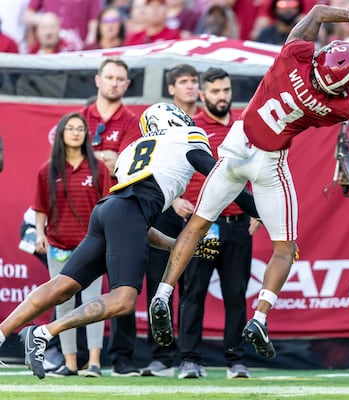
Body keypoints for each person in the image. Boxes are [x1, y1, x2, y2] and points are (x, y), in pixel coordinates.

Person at [148, 4, 349, 360]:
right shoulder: (332, 106)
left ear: (322, 57)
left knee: (198, 224)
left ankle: (161, 294)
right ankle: (260, 318)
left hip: (235, 149)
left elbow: (316, 13)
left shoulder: (294, 56)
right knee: (286, 248)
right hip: (268, 164)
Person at [0, 102, 259, 380]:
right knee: (123, 300)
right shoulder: (188, 137)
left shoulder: (130, 152)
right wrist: (262, 211)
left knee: (62, 285)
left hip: (107, 210)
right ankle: (42, 333)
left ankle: (2, 332)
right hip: (128, 213)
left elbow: (137, 225)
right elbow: (222, 180)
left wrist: (176, 246)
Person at [176, 66, 254, 379]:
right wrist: (173, 200)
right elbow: (172, 170)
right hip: (202, 224)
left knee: (236, 293)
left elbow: (260, 170)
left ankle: (236, 360)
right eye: (215, 91)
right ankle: (189, 360)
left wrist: (258, 211)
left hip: (238, 221)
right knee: (193, 293)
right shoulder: (191, 128)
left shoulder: (246, 126)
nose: (221, 97)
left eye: (225, 90)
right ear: (202, 94)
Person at [32, 112, 111, 378]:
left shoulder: (98, 168)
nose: (76, 132)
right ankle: (70, 364)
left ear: (87, 135)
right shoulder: (47, 170)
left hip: (92, 247)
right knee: (63, 305)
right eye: (71, 128)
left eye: (80, 128)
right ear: (62, 134)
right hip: (58, 247)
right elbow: (40, 207)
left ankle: (95, 363)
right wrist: (40, 234)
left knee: (94, 304)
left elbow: (109, 205)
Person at [80, 57, 141, 377]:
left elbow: (126, 166)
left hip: (120, 208)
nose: (114, 83)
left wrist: (93, 156)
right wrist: (105, 157)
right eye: (109, 77)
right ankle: (73, 357)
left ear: (127, 85)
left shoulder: (133, 122)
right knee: (73, 284)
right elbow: (66, 162)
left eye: (120, 79)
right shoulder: (79, 117)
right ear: (97, 80)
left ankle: (121, 359)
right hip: (80, 209)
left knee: (123, 284)